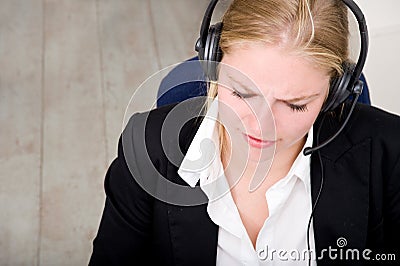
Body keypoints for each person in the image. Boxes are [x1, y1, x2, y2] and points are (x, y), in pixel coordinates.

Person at [89, 0, 400, 265]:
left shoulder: (391, 155)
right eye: (241, 93)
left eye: (294, 105)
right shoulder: (146, 149)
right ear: (213, 61)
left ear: (336, 93)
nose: (259, 124)